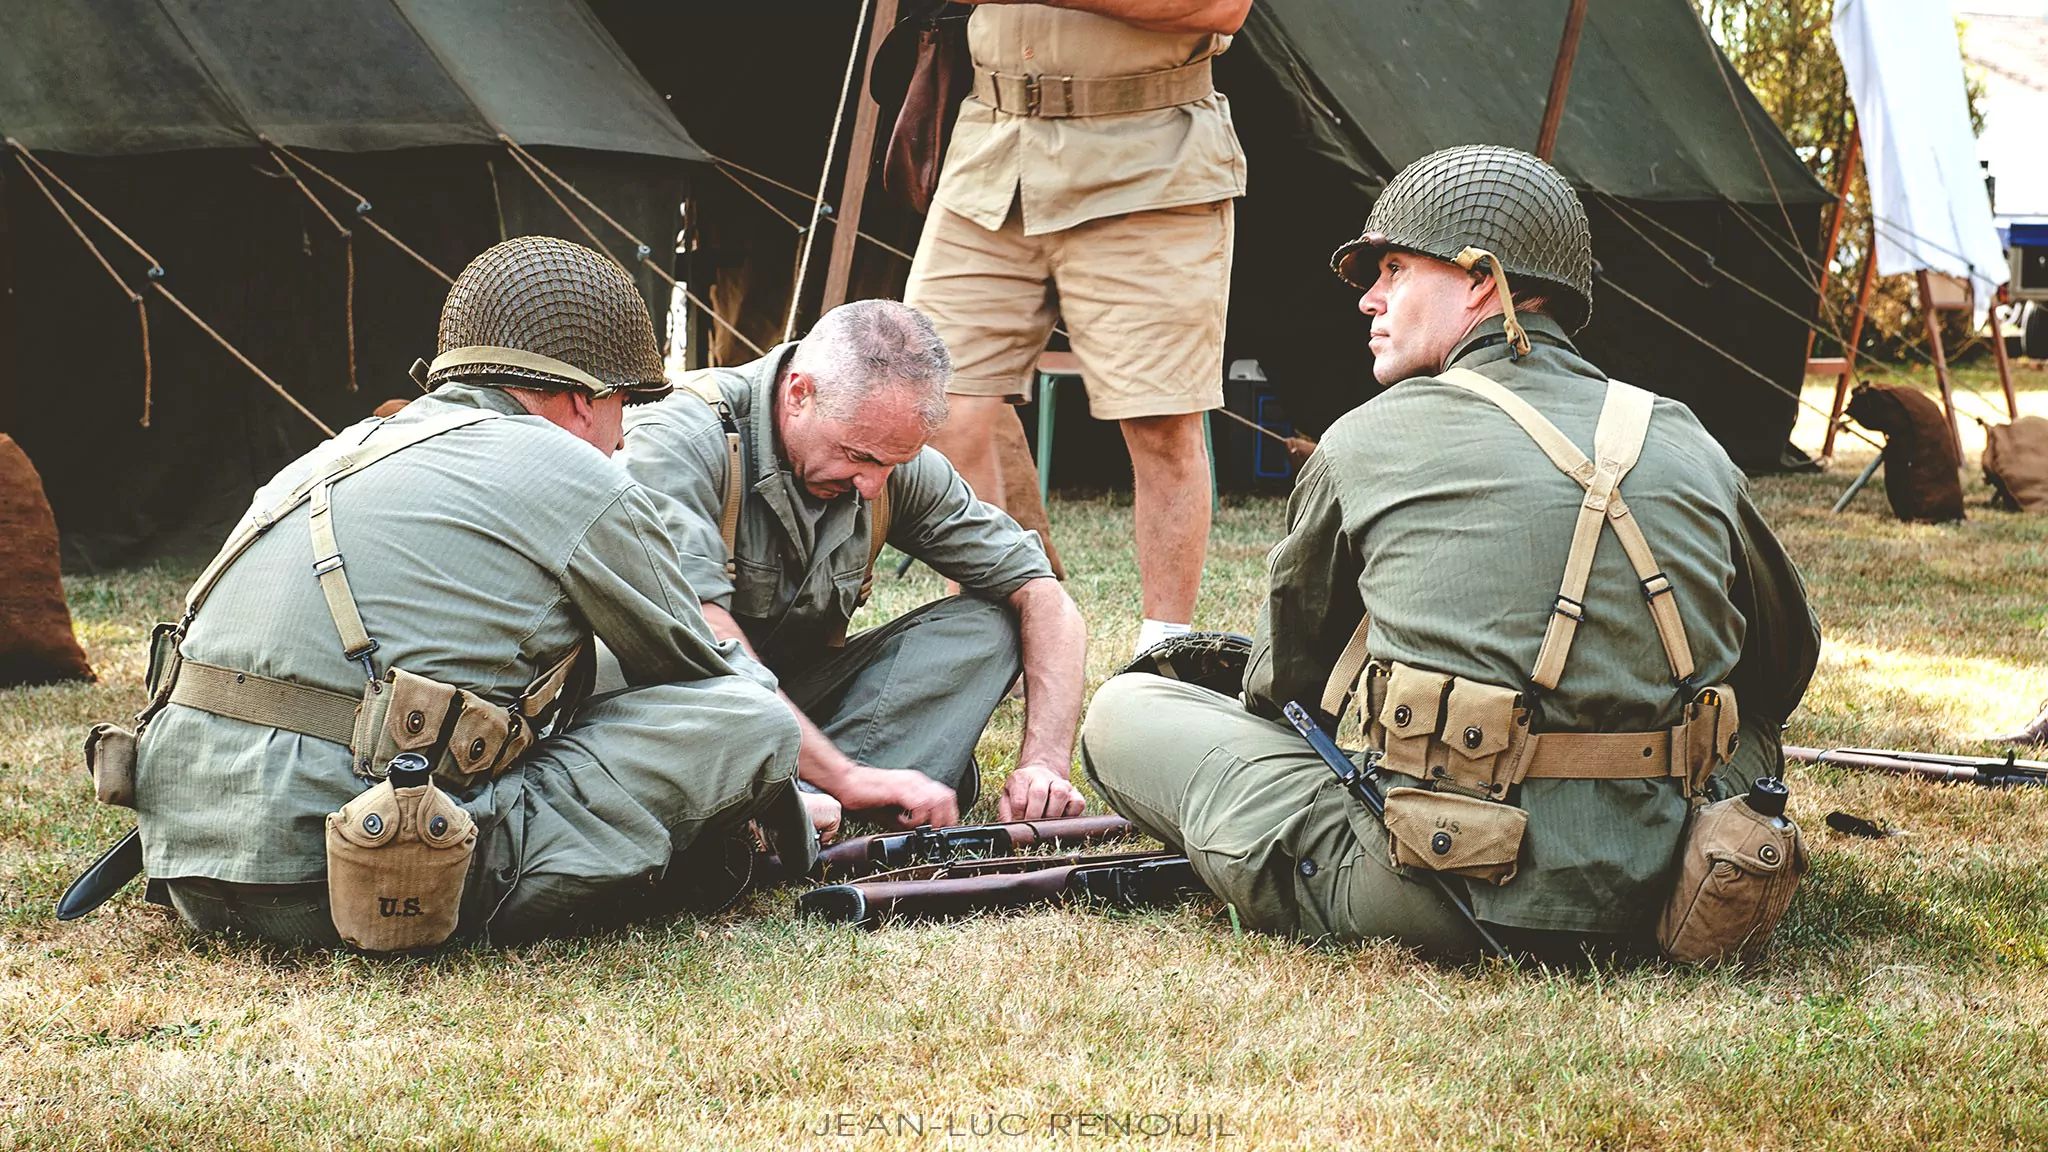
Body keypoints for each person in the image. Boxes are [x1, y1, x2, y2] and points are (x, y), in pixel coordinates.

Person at [1079, 146, 1821, 959]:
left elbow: (1285, 690)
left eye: (1394, 268)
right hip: (1677, 878)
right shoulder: (1681, 434)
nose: (1369, 300)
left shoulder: (1365, 437)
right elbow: (1782, 665)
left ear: (1480, 282)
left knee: (1125, 711)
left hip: (1437, 887)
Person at [128, 236, 811, 948]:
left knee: (598, 673)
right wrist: (793, 803)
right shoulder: (574, 472)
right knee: (754, 720)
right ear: (585, 398)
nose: (623, 435)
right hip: (365, 878)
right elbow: (698, 673)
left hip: (192, 875)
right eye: (627, 405)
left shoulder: (337, 450)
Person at [612, 300, 1089, 828]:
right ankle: (825, 793)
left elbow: (1042, 593)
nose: (872, 485)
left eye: (893, 463)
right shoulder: (679, 437)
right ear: (799, 395)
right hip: (676, 708)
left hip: (794, 705)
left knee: (990, 624)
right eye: (860, 456)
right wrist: (847, 777)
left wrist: (1044, 765)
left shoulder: (884, 457)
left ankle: (799, 801)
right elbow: (700, 635)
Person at [902, 0, 1251, 657]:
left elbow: (1221, 8)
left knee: (1161, 423)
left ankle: (1161, 662)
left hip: (1148, 154)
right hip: (993, 148)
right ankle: (990, 637)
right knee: (937, 401)